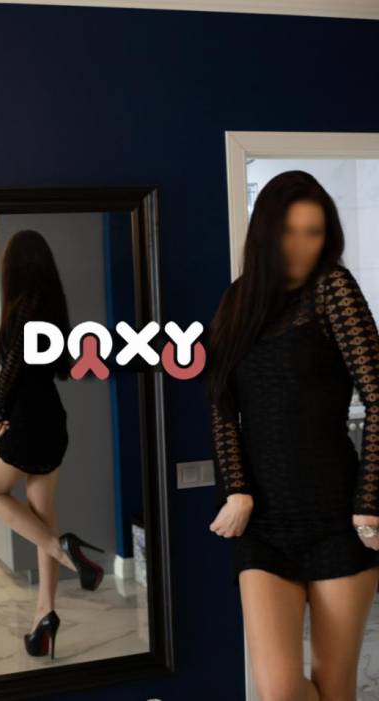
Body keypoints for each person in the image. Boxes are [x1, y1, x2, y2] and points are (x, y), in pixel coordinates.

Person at [205, 170, 379, 700]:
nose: (302, 246)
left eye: (314, 232)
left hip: (337, 519)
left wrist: (369, 503)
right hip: (263, 525)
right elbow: (222, 406)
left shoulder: (333, 289)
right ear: (265, 233)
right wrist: (237, 489)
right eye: (289, 232)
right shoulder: (238, 301)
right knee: (279, 691)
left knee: (334, 685)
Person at [0, 229, 104, 661]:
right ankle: (44, 616)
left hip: (28, 420)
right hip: (52, 420)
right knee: (42, 517)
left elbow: (13, 364)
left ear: (13, 267)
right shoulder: (51, 305)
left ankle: (63, 551)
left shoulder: (26, 305)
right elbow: (61, 367)